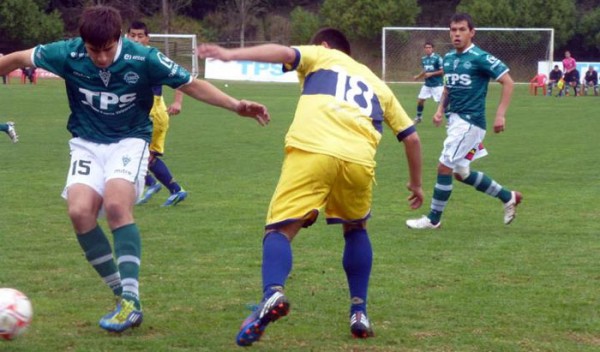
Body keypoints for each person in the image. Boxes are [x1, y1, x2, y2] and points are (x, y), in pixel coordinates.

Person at [0, 5, 269, 333]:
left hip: (129, 141)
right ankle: (121, 297)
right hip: (86, 142)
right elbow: (14, 59)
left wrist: (236, 105)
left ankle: (131, 297)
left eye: (107, 49)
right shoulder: (65, 53)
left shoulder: (144, 58)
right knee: (80, 213)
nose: (100, 58)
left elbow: (190, 83)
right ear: (82, 43)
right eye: (93, 50)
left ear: (119, 39)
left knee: (115, 205)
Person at [199, 28, 424, 346]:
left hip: (313, 150)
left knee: (279, 231)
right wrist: (416, 184)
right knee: (356, 228)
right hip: (359, 160)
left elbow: (282, 52)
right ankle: (359, 312)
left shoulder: (322, 54)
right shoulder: (377, 82)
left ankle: (272, 294)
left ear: (324, 45)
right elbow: (411, 138)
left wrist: (229, 54)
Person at [406, 12, 522, 230]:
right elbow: (448, 88)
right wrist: (440, 110)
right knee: (462, 173)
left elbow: (508, 82)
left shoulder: (480, 57)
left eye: (461, 30)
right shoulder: (449, 58)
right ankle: (508, 197)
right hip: (455, 122)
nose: (457, 34)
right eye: (453, 30)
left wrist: (500, 114)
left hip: (471, 123)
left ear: (472, 32)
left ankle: (433, 219)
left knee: (444, 166)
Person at [127, 20, 188, 206]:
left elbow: (183, 76)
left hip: (154, 113)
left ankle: (175, 190)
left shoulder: (153, 58)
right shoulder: (125, 56)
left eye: (140, 36)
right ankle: (155, 185)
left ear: (147, 39)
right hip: (138, 112)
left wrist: (177, 101)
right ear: (127, 36)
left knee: (140, 154)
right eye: (133, 35)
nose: (136, 39)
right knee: (132, 151)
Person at [413, 42, 444, 123]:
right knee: (420, 100)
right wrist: (418, 77)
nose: (428, 49)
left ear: (432, 48)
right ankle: (419, 117)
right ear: (424, 49)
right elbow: (425, 70)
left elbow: (443, 71)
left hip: (437, 85)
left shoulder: (438, 58)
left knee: (441, 103)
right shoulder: (424, 59)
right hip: (427, 85)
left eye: (429, 47)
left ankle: (449, 120)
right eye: (426, 47)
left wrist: (432, 74)